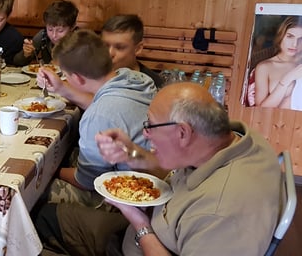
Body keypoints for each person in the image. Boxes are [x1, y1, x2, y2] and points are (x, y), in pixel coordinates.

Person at [95, 82, 281, 255]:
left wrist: (141, 226)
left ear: (182, 132)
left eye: (150, 125)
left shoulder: (221, 214)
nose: (145, 133)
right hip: (143, 225)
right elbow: (172, 167)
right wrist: (131, 153)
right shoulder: (229, 141)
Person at [33, 30, 157, 255]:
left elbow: (86, 181)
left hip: (128, 198)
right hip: (154, 173)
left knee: (36, 190)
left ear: (78, 79)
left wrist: (52, 170)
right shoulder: (135, 78)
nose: (65, 79)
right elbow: (108, 105)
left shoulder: (97, 117)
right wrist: (62, 88)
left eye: (66, 75)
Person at [101, 15, 163, 88]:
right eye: (104, 45)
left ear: (138, 49)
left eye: (119, 47)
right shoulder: (91, 75)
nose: (109, 53)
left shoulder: (153, 85)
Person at [253, 15, 302, 109]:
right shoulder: (265, 67)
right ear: (281, 36)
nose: (295, 44)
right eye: (290, 37)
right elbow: (260, 110)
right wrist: (288, 78)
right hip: (275, 117)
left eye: (301, 39)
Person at [13, 0, 78, 66]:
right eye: (50, 29)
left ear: (72, 27)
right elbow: (17, 62)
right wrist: (25, 54)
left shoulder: (80, 41)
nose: (54, 35)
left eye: (60, 31)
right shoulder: (43, 36)